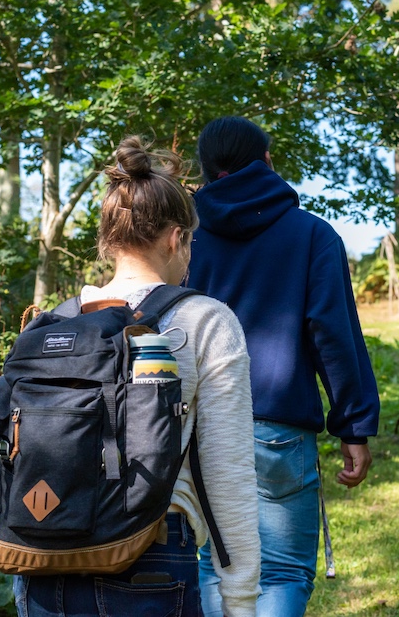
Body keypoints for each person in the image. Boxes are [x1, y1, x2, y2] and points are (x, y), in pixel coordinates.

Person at [13, 136, 261, 617]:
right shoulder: (205, 321)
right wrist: (241, 599)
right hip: (149, 557)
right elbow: (227, 473)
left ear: (109, 240)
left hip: (41, 563)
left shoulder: (56, 322)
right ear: (175, 239)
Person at [188, 116, 381, 616]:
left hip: (202, 427)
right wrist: (353, 427)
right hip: (280, 433)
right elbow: (333, 336)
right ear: (267, 162)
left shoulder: (181, 241)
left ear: (205, 171)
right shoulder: (312, 235)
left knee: (213, 566)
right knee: (282, 574)